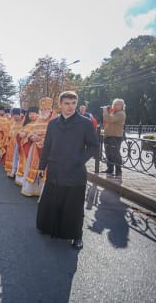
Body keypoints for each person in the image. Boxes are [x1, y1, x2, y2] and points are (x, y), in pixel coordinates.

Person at [36, 91, 99, 249]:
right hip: (55, 169)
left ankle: (77, 236)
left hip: (75, 172)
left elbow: (94, 146)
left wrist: (79, 160)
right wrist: (41, 166)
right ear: (60, 105)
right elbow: (47, 146)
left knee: (74, 206)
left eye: (73, 103)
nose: (70, 107)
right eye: (67, 103)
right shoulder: (53, 123)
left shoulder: (85, 123)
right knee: (52, 202)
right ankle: (48, 227)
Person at [18, 97, 53, 197]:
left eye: (46, 109)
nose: (43, 111)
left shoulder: (54, 121)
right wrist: (32, 137)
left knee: (46, 171)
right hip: (35, 149)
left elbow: (56, 137)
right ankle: (32, 190)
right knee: (33, 168)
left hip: (48, 149)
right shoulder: (37, 120)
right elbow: (30, 133)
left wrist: (42, 140)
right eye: (42, 109)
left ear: (50, 109)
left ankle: (43, 193)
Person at [101, 99, 126, 177]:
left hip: (115, 137)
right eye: (113, 104)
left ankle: (119, 171)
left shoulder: (121, 114)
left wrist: (105, 110)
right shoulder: (114, 113)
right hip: (109, 136)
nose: (114, 106)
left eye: (117, 104)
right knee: (109, 154)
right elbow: (106, 121)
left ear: (122, 106)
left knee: (115, 154)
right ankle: (110, 169)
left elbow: (109, 119)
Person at [14, 106, 39, 186]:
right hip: (24, 148)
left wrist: (27, 135)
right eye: (30, 114)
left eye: (33, 113)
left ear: (37, 114)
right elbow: (22, 133)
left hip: (34, 148)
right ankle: (23, 181)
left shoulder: (39, 123)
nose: (31, 115)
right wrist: (20, 134)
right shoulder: (28, 124)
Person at [3, 108, 25, 177]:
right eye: (14, 115)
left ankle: (17, 173)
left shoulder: (24, 122)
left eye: (17, 115)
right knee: (13, 158)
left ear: (20, 115)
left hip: (19, 144)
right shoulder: (13, 123)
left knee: (17, 158)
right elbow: (10, 132)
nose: (15, 116)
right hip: (12, 144)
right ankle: (13, 171)